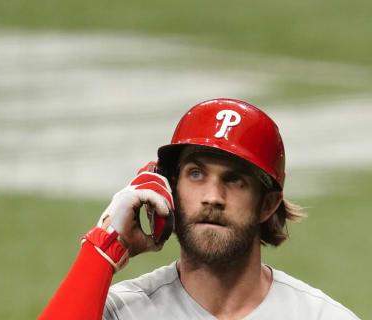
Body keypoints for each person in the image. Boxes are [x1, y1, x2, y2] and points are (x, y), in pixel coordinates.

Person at [38, 99, 360, 320]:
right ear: (171, 189)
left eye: (234, 180)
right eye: (196, 174)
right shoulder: (125, 311)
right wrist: (104, 247)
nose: (212, 196)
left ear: (267, 205)